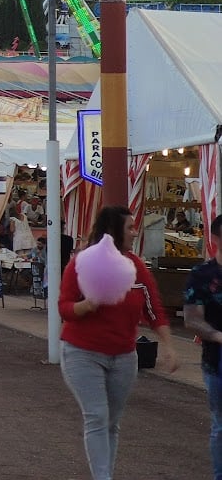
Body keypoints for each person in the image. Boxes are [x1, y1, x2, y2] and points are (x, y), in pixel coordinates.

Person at [59, 205, 178, 480]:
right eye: (130, 228)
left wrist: (169, 346)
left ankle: (105, 474)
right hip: (82, 354)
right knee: (97, 416)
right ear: (114, 232)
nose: (135, 233)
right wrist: (87, 305)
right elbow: (64, 308)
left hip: (124, 355)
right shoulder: (80, 263)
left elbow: (153, 308)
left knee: (111, 422)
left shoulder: (136, 267)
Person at [184, 215, 222, 479]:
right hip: (216, 362)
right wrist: (218, 336)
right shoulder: (202, 275)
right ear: (217, 239)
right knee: (221, 426)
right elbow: (192, 319)